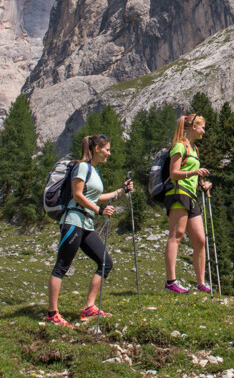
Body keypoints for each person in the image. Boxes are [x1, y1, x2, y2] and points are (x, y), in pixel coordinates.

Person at [45, 134, 134, 328]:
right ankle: (52, 313)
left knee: (105, 262)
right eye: (107, 149)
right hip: (73, 220)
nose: (109, 153)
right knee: (62, 266)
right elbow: (77, 194)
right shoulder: (82, 167)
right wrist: (99, 210)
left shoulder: (93, 170)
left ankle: (89, 307)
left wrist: (121, 191)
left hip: (86, 224)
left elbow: (96, 196)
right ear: (96, 149)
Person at [163, 113, 213, 294]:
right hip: (177, 193)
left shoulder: (194, 149)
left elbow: (192, 174)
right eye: (202, 127)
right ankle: (170, 282)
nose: (204, 131)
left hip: (191, 195)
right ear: (193, 126)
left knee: (200, 239)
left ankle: (201, 282)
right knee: (176, 234)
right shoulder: (179, 146)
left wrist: (203, 185)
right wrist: (194, 173)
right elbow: (174, 173)